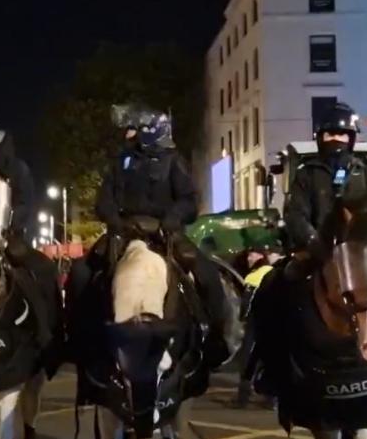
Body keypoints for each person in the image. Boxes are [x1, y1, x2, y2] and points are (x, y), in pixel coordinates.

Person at [73, 103, 229, 365]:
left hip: (163, 232)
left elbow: (189, 200)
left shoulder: (173, 161)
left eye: (134, 129)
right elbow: (104, 200)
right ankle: (78, 339)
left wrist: (170, 220)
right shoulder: (120, 162)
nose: (128, 135)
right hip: (124, 231)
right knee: (81, 272)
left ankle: (216, 337)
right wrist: (115, 221)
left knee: (206, 273)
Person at [283, 101, 367, 275]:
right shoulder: (306, 174)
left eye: (342, 135)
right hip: (315, 255)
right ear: (320, 138)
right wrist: (313, 241)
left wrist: (364, 244)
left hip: (360, 256)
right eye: (330, 134)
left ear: (351, 139)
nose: (336, 139)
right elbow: (296, 214)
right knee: (287, 277)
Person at [235, 244, 273, 408]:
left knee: (248, 359)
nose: (249, 258)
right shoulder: (272, 272)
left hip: (256, 323)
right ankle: (271, 399)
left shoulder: (255, 276)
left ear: (260, 256)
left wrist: (242, 318)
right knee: (270, 359)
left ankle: (243, 398)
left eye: (252, 255)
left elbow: (247, 303)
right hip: (272, 323)